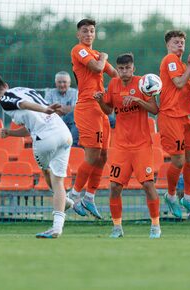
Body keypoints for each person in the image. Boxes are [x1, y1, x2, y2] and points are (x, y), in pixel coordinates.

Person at [0, 74, 73, 239]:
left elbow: (22, 104)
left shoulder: (4, 99)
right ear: (6, 83)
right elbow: (30, 124)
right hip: (64, 134)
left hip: (45, 139)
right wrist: (10, 132)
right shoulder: (24, 89)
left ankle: (62, 205)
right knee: (59, 181)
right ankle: (58, 222)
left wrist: (45, 109)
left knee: (47, 173)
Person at [94, 53, 162, 238]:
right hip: (121, 146)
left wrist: (138, 100)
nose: (124, 72)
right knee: (115, 187)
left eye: (128, 68)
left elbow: (155, 110)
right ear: (117, 69)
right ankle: (117, 227)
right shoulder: (114, 84)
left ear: (134, 68)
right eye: (121, 68)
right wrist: (100, 100)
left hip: (141, 145)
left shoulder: (143, 84)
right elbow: (108, 110)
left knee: (148, 184)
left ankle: (155, 225)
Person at [69, 19, 118, 219]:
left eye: (91, 31)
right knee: (92, 155)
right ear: (78, 35)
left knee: (104, 156)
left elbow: (114, 74)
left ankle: (89, 197)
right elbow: (98, 68)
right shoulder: (79, 50)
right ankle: (72, 197)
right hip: (87, 107)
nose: (89, 34)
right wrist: (104, 58)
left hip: (101, 107)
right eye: (85, 31)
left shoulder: (97, 55)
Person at [158, 30, 190, 220]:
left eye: (182, 43)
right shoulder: (170, 60)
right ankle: (171, 196)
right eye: (176, 42)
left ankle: (188, 198)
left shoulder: (180, 64)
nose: (180, 45)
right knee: (178, 161)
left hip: (185, 117)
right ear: (168, 45)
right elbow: (179, 83)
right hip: (170, 117)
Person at [45, 71, 79, 147]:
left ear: (69, 83)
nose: (62, 84)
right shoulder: (50, 93)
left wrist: (57, 108)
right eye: (59, 82)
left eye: (64, 82)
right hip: (54, 123)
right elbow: (47, 110)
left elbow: (76, 110)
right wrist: (67, 109)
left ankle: (74, 148)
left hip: (70, 124)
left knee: (75, 119)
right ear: (56, 83)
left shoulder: (75, 93)